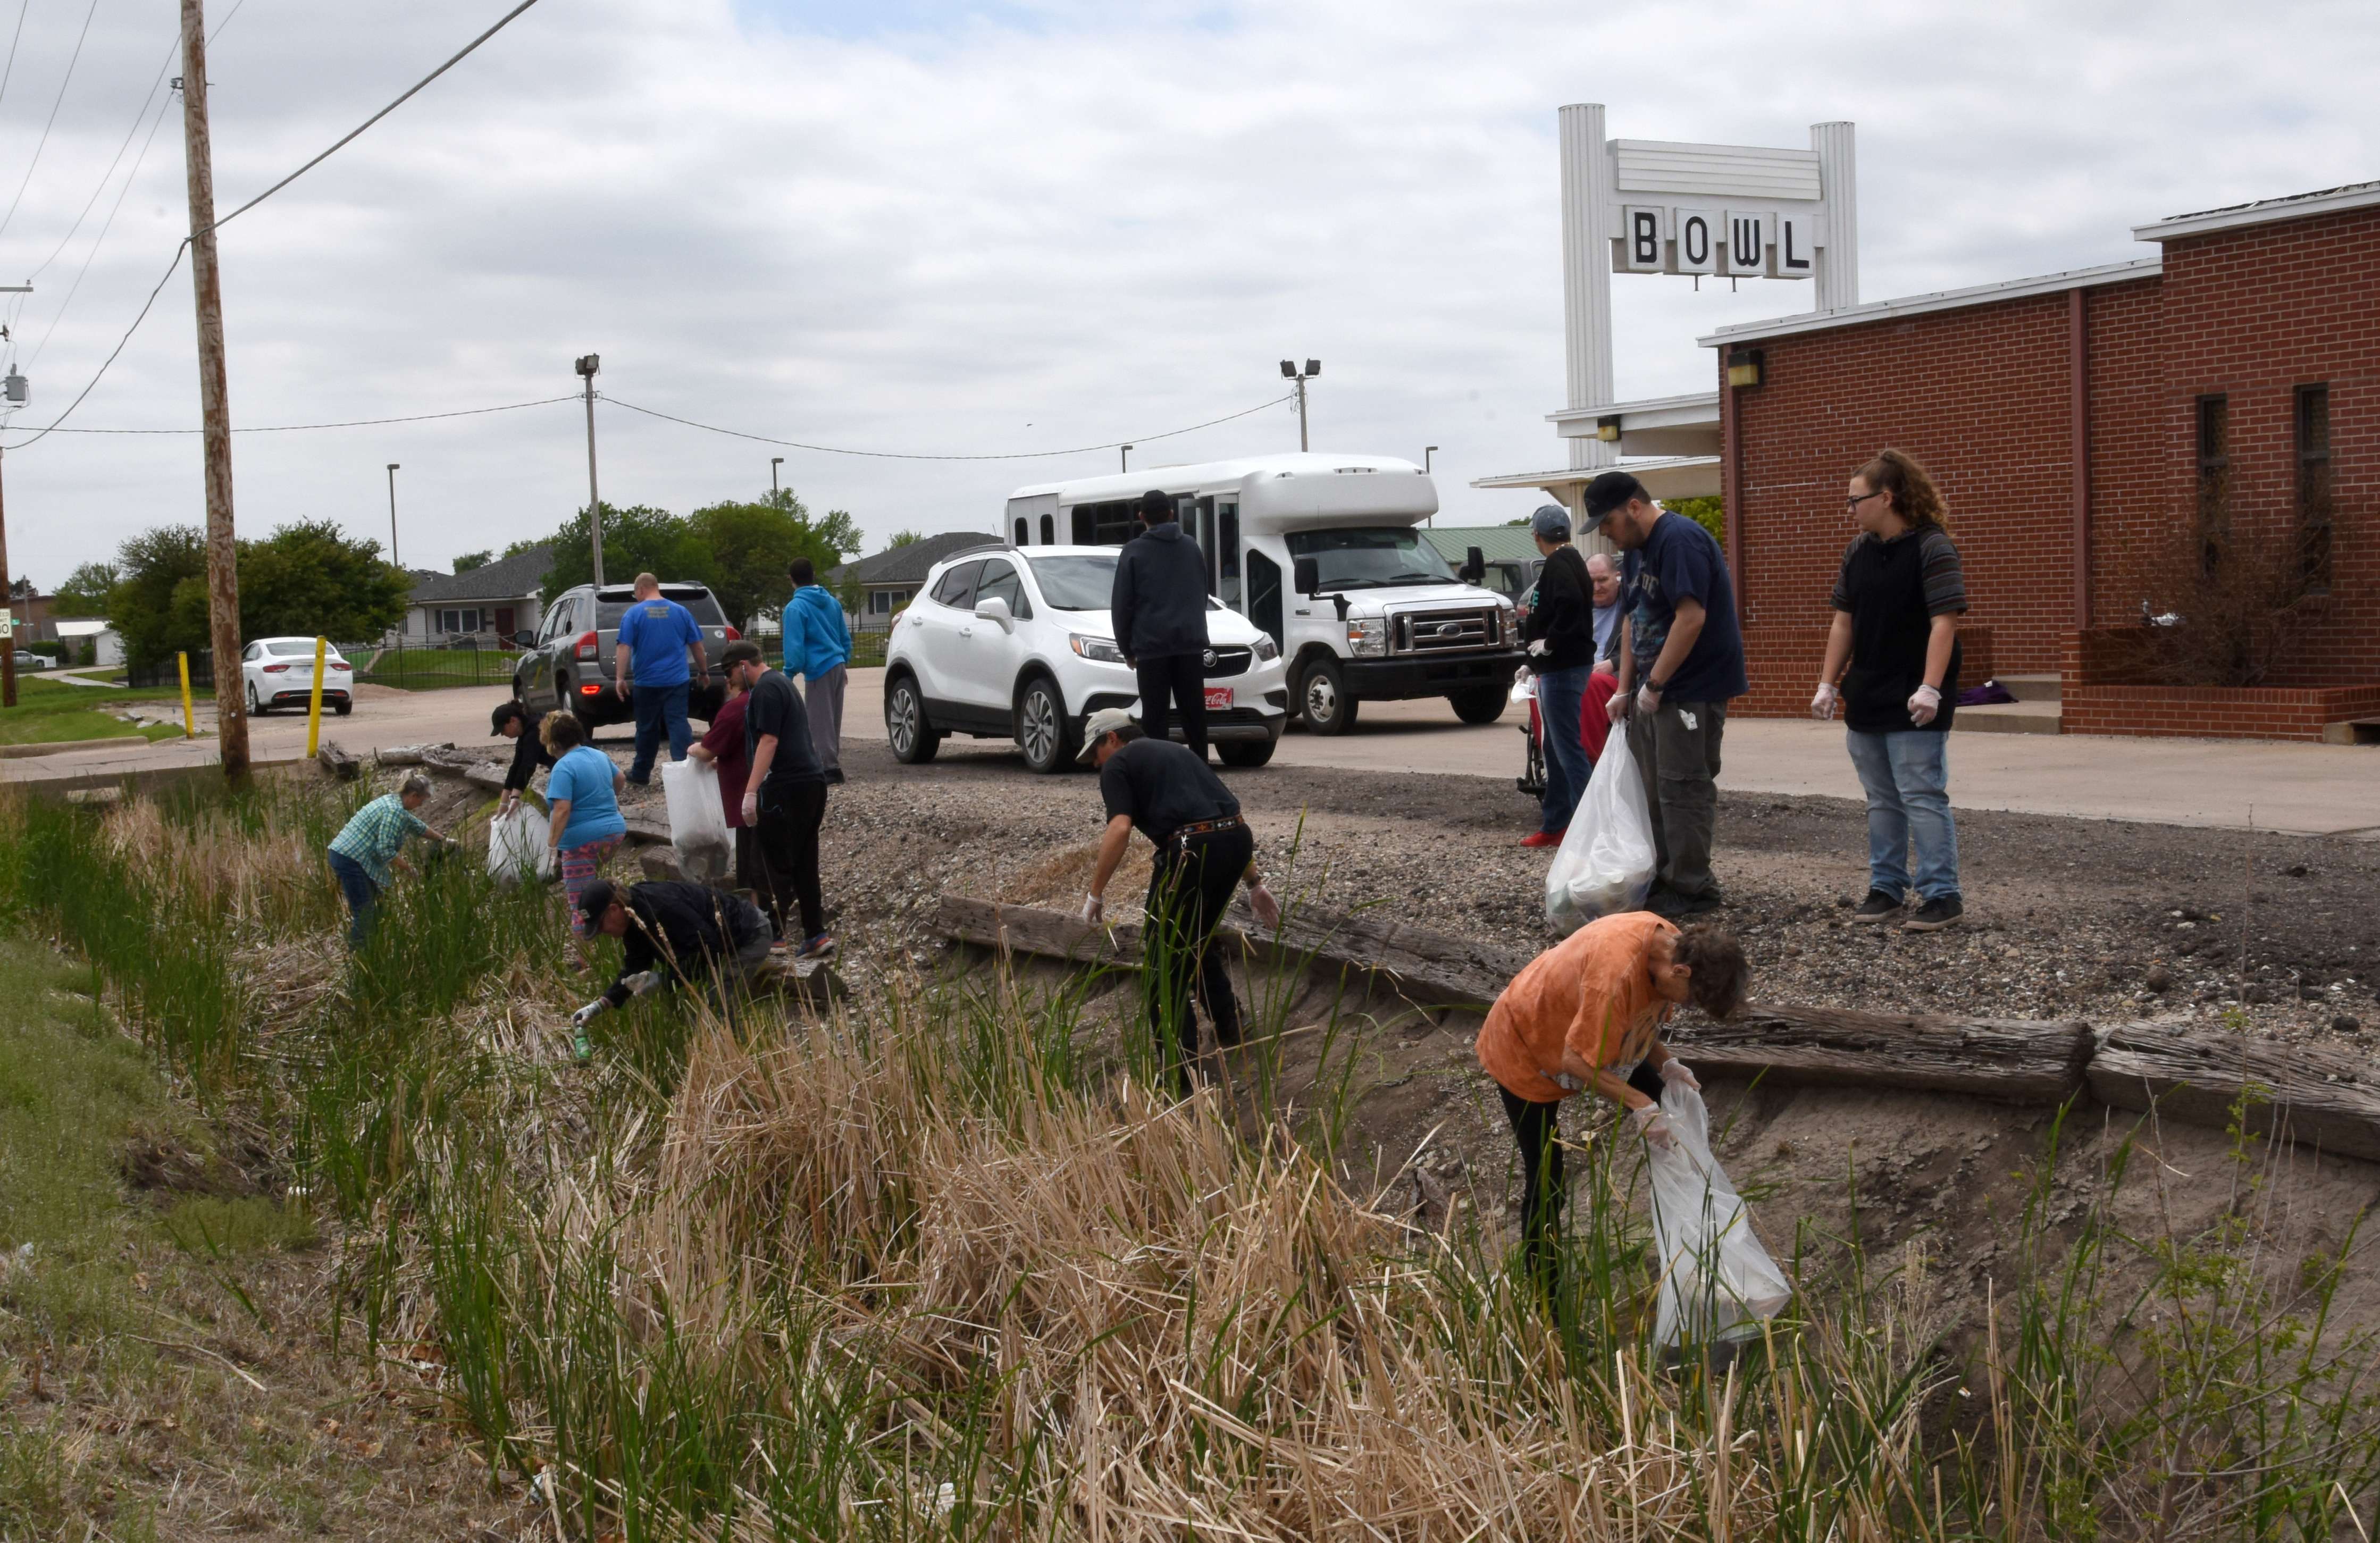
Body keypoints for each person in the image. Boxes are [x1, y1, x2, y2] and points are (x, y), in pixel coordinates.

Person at [1474, 911, 1748, 1295]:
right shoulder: (1615, 977)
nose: (1686, 1007)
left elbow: (1634, 1019)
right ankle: (1545, 1305)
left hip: (1589, 1032)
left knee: (1674, 1126)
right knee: (1548, 1179)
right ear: (1682, 972)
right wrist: (1640, 1105)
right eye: (1692, 1001)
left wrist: (1666, 1064)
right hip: (1527, 1045)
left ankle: (1702, 1260)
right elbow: (1576, 1060)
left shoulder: (1670, 943)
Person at [1078, 707, 1281, 1097]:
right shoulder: (1176, 753)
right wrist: (1254, 883)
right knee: (1193, 938)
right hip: (1236, 841)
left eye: (1094, 753)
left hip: (1191, 849)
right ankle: (1231, 1026)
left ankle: (1180, 1073)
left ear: (1113, 738)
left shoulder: (1118, 764)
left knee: (1160, 962)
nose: (1094, 765)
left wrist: (1096, 893)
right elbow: (1223, 817)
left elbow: (1119, 828)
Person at [1812, 449, 1969, 932]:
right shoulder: (1858, 550)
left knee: (1921, 794)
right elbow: (1845, 622)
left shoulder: (1932, 547)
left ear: (1886, 498)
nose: (1850, 510)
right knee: (1881, 798)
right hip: (1868, 692)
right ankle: (1886, 888)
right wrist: (1828, 682)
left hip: (1913, 695)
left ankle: (1942, 895)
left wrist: (1930, 688)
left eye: (1855, 500)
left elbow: (1944, 623)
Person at [1594, 471, 1748, 919]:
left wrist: (1656, 684)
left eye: (1608, 522)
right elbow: (1631, 618)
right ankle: (1666, 878)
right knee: (1653, 789)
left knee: (1683, 789)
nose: (1606, 532)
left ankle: (1693, 887)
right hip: (1654, 691)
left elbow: (1691, 618)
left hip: (1690, 690)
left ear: (1634, 508)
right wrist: (1626, 687)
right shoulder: (1638, 551)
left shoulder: (1679, 541)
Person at [567, 877, 776, 1060]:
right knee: (708, 1010)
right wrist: (600, 1005)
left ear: (614, 910)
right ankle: (729, 1056)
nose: (603, 933)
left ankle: (740, 1060)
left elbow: (708, 948)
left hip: (749, 935)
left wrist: (664, 980)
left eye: (601, 926)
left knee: (716, 1006)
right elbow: (635, 968)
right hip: (722, 945)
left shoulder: (660, 907)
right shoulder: (633, 918)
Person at [723, 640, 833, 958]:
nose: (729, 681)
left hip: (785, 787)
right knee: (803, 862)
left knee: (771, 864)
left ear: (744, 665)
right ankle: (815, 934)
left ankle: (774, 937)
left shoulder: (766, 691)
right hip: (812, 783)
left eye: (730, 672)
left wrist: (750, 791)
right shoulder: (783, 684)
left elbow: (769, 741)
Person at [1109, 489, 1212, 760]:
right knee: (1195, 717)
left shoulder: (1133, 552)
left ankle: (1158, 773)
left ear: (1142, 517)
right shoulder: (1191, 546)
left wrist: (1127, 648)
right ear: (1171, 514)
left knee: (1155, 719)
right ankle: (1201, 771)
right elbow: (1202, 594)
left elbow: (1122, 605)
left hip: (1152, 649)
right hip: (1190, 646)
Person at [1519, 506, 1597, 849]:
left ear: (1538, 535)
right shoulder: (1571, 559)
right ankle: (1557, 824)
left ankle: (1590, 830)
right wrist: (1532, 663)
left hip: (1563, 668)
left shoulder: (1559, 563)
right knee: (1553, 747)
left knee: (1567, 750)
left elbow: (1569, 603)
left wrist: (1550, 642)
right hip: (1557, 667)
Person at [542, 710, 628, 959]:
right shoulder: (598, 755)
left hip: (582, 842)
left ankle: (585, 961)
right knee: (599, 890)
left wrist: (551, 848)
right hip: (613, 833)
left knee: (580, 902)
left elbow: (562, 809)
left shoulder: (563, 767)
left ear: (554, 743)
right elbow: (620, 779)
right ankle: (614, 939)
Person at [325, 773, 446, 947]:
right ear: (413, 796)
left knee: (378, 904)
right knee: (366, 911)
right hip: (350, 859)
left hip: (348, 856)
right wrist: (409, 869)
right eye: (422, 801)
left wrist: (442, 839)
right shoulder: (394, 811)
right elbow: (385, 850)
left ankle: (374, 947)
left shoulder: (394, 802)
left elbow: (416, 825)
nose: (421, 805)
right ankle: (360, 955)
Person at [615, 572, 708, 786]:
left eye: (635, 594)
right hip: (677, 681)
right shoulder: (681, 612)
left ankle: (641, 772)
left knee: (647, 727)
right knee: (678, 723)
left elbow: (623, 646)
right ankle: (685, 771)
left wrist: (620, 678)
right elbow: (697, 645)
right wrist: (703, 672)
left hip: (647, 683)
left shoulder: (633, 614)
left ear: (640, 590)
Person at [685, 653, 757, 894]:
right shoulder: (760, 700)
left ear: (729, 683)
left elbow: (706, 751)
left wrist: (692, 749)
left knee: (751, 864)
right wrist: (723, 761)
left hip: (747, 799)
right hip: (768, 791)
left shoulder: (733, 709)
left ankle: (757, 908)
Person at [783, 557, 853, 786]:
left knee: (818, 720)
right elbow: (844, 637)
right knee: (833, 719)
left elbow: (795, 647)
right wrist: (845, 660)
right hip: (837, 664)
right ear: (813, 575)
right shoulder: (832, 602)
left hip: (818, 668)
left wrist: (789, 673)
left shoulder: (795, 608)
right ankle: (831, 762)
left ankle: (828, 769)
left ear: (791, 579)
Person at [490, 699, 554, 812]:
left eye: (503, 730)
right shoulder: (525, 731)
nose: (502, 734)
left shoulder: (535, 730)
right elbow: (516, 766)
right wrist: (504, 803)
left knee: (555, 801)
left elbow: (528, 766)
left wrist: (515, 798)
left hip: (573, 763)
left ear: (513, 721)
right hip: (558, 764)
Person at [1586, 551, 1625, 668]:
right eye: (1591, 581)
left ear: (1618, 578)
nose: (1596, 588)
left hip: (1614, 676)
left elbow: (1644, 650)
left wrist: (1614, 663)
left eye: (1603, 580)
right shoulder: (1574, 609)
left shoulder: (1633, 608)